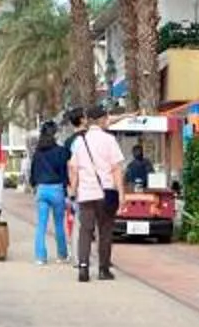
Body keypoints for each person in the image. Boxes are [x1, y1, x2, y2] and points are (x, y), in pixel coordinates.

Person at [70, 105, 127, 284]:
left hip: (86, 193)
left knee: (85, 231)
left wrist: (74, 188)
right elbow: (117, 168)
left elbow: (72, 167)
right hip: (106, 192)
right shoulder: (109, 140)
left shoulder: (80, 141)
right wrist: (121, 193)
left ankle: (84, 268)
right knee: (105, 231)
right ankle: (103, 269)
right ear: (102, 119)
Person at [27, 121, 71, 265]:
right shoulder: (60, 151)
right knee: (59, 224)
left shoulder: (38, 153)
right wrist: (66, 188)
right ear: (55, 133)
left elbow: (32, 172)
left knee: (41, 225)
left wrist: (34, 185)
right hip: (57, 188)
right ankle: (62, 255)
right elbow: (65, 171)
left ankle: (40, 257)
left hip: (42, 189)